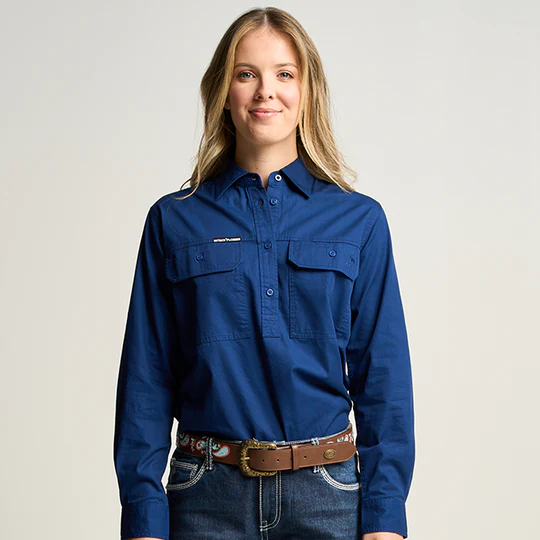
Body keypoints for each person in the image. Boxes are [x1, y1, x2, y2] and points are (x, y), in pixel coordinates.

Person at [113, 6, 415, 540]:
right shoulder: (174, 220)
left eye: (284, 74)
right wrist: (143, 517)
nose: (265, 92)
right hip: (204, 497)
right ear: (223, 91)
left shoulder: (360, 220)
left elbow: (383, 377)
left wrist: (385, 518)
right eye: (246, 73)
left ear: (307, 90)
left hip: (328, 498)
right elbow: (146, 377)